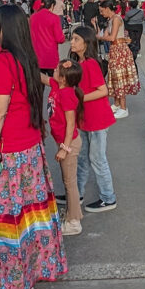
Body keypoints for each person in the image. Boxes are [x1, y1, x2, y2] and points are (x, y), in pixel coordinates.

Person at [0, 5, 67, 289]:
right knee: (29, 214)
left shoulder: (0, 64)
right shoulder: (24, 60)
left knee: (5, 218)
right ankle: (35, 268)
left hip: (8, 154)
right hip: (29, 150)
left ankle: (12, 284)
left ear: (6, 27)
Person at [68, 26, 118, 213]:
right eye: (72, 39)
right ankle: (76, 194)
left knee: (97, 159)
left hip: (97, 119)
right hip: (85, 118)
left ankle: (108, 197)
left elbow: (103, 91)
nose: (72, 42)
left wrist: (78, 98)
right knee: (82, 158)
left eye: (76, 39)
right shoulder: (78, 63)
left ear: (86, 43)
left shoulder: (90, 64)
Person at [48, 60, 85, 236]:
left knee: (70, 183)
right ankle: (73, 214)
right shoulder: (58, 86)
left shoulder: (67, 95)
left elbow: (71, 125)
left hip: (69, 144)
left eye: (57, 69)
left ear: (63, 78)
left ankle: (74, 221)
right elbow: (41, 77)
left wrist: (64, 148)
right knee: (67, 180)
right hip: (63, 142)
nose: (53, 70)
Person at [97, 0, 139, 119]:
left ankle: (123, 107)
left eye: (102, 10)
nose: (101, 13)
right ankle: (116, 104)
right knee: (115, 76)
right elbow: (104, 36)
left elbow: (111, 37)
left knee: (120, 77)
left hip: (119, 49)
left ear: (107, 8)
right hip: (115, 49)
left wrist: (101, 37)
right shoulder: (110, 20)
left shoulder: (116, 19)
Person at [29, 0, 64, 76]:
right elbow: (59, 38)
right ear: (52, 5)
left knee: (39, 85)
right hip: (50, 55)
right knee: (55, 83)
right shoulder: (54, 18)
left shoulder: (33, 17)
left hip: (37, 55)